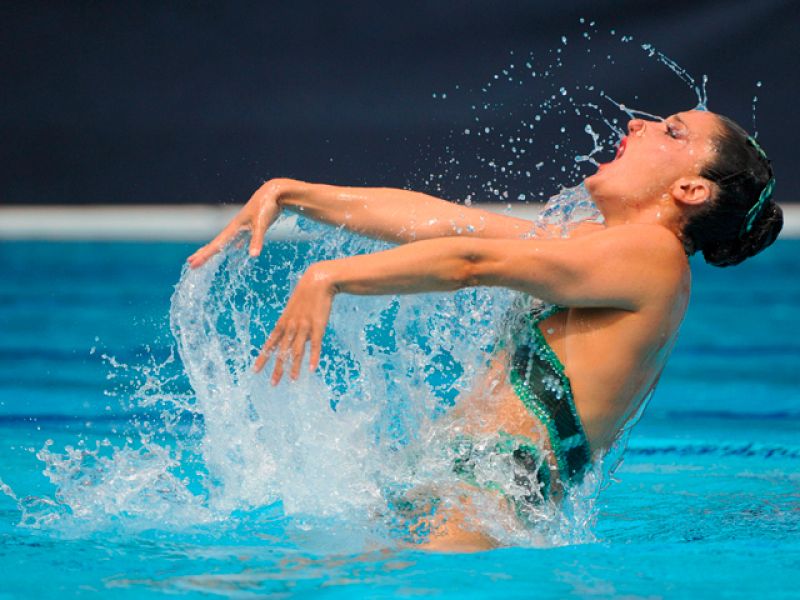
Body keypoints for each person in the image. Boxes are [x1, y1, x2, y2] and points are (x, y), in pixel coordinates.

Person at [187, 110, 782, 550]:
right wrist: (292, 193)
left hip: (489, 498)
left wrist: (330, 277)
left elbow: (470, 263)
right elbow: (449, 224)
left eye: (672, 132)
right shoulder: (594, 246)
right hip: (454, 482)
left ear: (692, 190)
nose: (638, 124)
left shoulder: (654, 256)